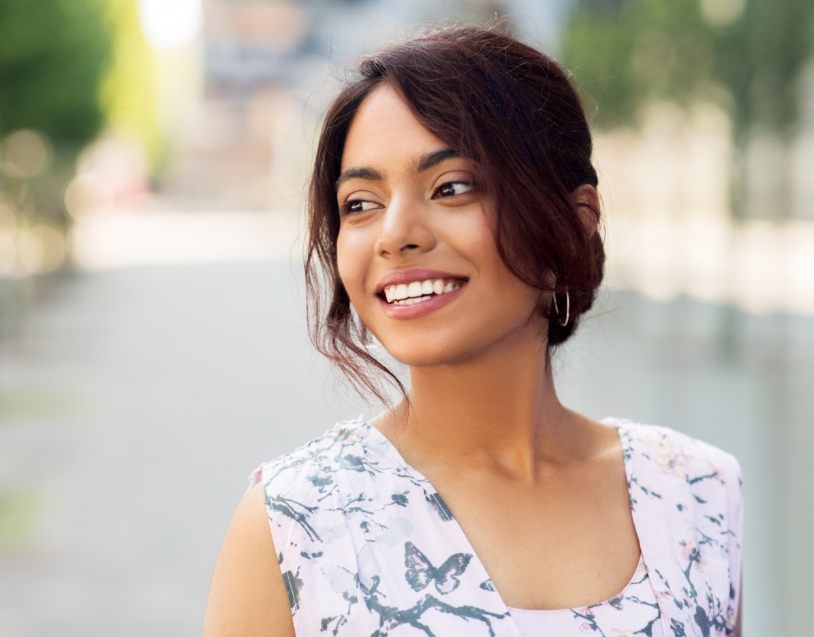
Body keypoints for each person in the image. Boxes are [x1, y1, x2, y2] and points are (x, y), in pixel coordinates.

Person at [203, 24, 743, 637]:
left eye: (451, 187)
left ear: (573, 222)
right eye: (360, 202)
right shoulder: (295, 523)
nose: (395, 233)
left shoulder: (697, 492)